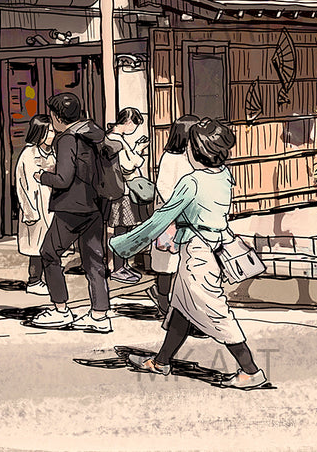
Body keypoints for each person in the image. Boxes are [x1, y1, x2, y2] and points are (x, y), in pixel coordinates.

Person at [110, 119, 269, 389]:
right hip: (209, 247)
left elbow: (162, 217)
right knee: (181, 310)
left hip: (199, 256)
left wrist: (124, 244)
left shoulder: (192, 182)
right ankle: (161, 362)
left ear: (196, 152)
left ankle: (250, 370)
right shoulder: (223, 175)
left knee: (216, 314)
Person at [31, 93, 115, 333]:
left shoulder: (67, 138)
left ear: (57, 117)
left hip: (71, 207)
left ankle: (60, 310)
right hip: (96, 205)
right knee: (94, 259)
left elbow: (64, 179)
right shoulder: (94, 133)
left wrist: (43, 176)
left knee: (49, 253)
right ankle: (99, 315)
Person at [147, 115, 199, 315]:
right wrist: (179, 206)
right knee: (166, 260)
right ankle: (162, 299)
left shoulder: (193, 156)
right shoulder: (170, 157)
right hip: (170, 215)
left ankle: (177, 302)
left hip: (189, 216)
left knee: (184, 261)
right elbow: (164, 186)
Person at [106, 107, 152, 284]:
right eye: (135, 124)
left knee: (122, 230)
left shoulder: (113, 138)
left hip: (120, 190)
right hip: (121, 191)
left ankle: (121, 265)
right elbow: (127, 165)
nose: (134, 128)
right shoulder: (115, 140)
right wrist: (138, 149)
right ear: (128, 122)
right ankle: (118, 267)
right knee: (121, 230)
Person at [14, 114, 56, 296]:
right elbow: (23, 185)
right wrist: (30, 211)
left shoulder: (52, 152)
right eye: (50, 131)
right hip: (36, 206)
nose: (53, 134)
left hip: (51, 204)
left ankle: (46, 280)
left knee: (48, 245)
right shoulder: (28, 155)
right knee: (37, 248)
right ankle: (34, 280)